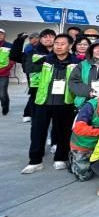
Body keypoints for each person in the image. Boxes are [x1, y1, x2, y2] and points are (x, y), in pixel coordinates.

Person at [22, 34, 80, 174]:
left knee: (63, 132)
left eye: (62, 44)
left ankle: (60, 158)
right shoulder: (45, 60)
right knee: (38, 132)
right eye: (56, 43)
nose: (58, 46)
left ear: (70, 46)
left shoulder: (77, 63)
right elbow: (28, 68)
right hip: (43, 101)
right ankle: (35, 161)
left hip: (65, 102)